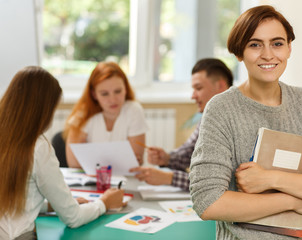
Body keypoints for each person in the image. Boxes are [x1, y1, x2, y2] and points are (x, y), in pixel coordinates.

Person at [189, 5, 302, 240]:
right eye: (255, 44)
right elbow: (208, 202)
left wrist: (270, 178)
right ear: (239, 52)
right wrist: (293, 199)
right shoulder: (221, 109)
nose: (268, 54)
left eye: (277, 43)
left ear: (288, 48)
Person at [0, 66, 125, 240]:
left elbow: (11, 202)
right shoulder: (38, 147)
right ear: (44, 110)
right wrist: (104, 203)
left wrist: (50, 206)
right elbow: (73, 218)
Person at [130, 58, 233, 190]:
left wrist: (169, 178)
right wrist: (166, 158)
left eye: (198, 88)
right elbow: (189, 152)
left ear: (220, 86)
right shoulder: (208, 117)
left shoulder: (233, 123)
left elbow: (215, 184)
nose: (193, 96)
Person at [64, 61, 148, 168]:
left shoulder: (134, 110)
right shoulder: (83, 113)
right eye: (104, 94)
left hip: (126, 181)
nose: (113, 99)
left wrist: (96, 163)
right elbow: (74, 163)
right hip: (93, 180)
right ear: (94, 94)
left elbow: (136, 161)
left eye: (118, 91)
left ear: (125, 89)